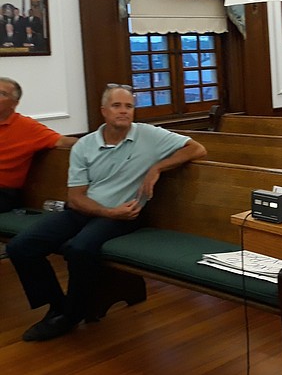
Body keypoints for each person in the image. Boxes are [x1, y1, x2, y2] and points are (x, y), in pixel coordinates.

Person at [7, 84, 207, 342]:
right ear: (104, 111)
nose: (123, 112)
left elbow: (197, 149)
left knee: (79, 248)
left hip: (127, 214)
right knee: (21, 247)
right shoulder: (85, 146)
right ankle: (57, 306)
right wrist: (106, 211)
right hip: (87, 210)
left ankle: (72, 315)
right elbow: (76, 198)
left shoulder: (150, 135)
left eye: (129, 106)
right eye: (117, 106)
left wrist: (157, 167)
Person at [0, 77, 77, 212]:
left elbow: (63, 141)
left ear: (15, 103)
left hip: (5, 193)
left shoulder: (27, 127)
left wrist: (99, 140)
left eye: (2, 94)